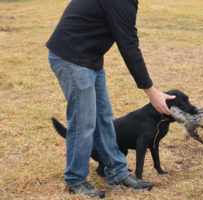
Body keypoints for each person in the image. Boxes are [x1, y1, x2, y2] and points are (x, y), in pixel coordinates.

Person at [46, 0, 175, 198]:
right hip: (72, 57)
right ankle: (75, 180)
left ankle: (116, 173)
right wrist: (151, 91)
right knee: (84, 122)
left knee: (104, 118)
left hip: (90, 57)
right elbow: (129, 46)